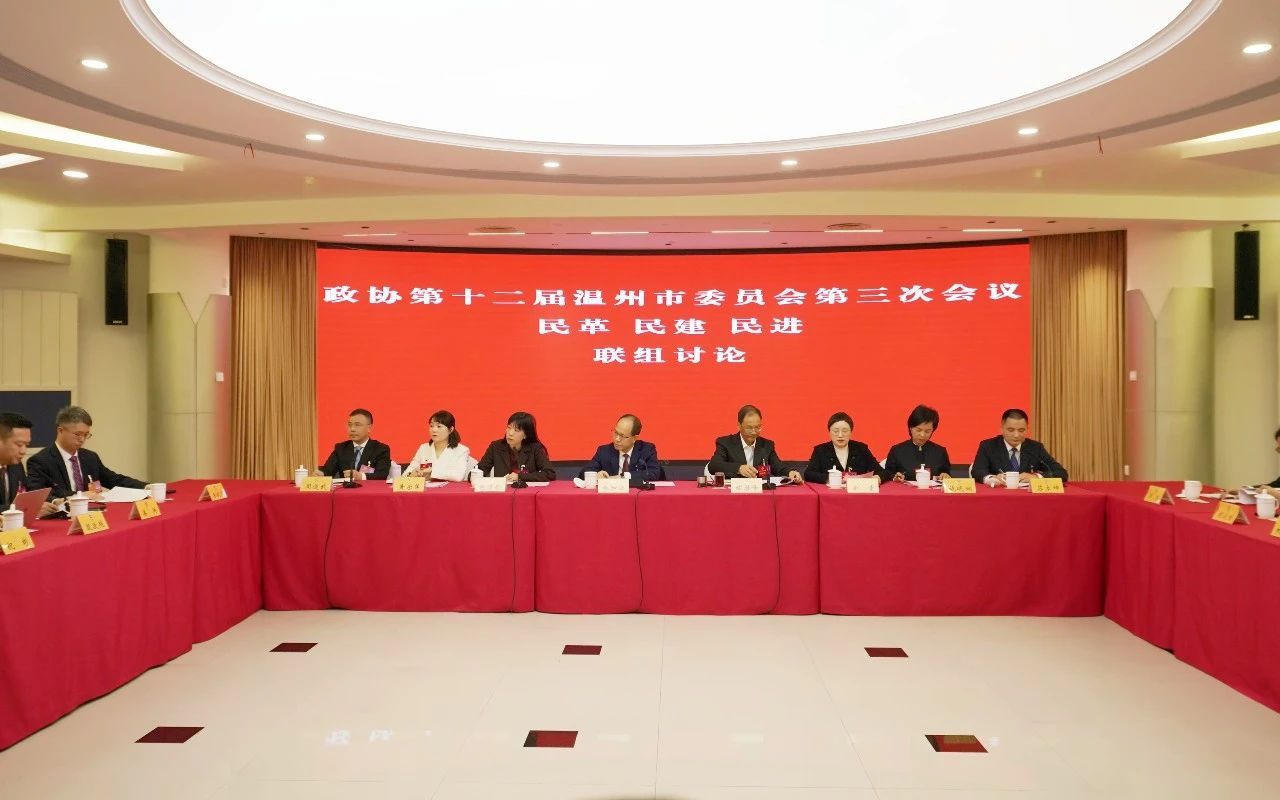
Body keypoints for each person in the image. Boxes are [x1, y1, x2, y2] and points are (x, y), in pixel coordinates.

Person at [26, 405, 148, 499]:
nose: (82, 439)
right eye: (77, 434)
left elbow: (114, 479)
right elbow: (39, 495)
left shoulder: (90, 457)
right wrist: (80, 496)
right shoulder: (41, 461)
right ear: (60, 430)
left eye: (86, 435)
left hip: (93, 514)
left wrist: (145, 486)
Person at [970, 408, 1068, 485]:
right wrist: (991, 478)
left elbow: (1061, 473)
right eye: (1011, 430)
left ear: (1027, 429)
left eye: (1021, 430)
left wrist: (1036, 477)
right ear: (1001, 429)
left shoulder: (1035, 447)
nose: (1016, 435)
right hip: (999, 496)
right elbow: (977, 471)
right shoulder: (988, 446)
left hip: (1028, 497)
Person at [709, 404, 804, 483]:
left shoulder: (766, 445)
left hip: (759, 492)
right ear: (739, 426)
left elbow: (778, 467)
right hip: (733, 492)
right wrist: (739, 468)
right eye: (749, 428)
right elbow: (714, 465)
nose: (754, 432)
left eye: (758, 427)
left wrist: (790, 472)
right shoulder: (726, 443)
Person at [0, 412, 59, 517]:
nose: (24, 451)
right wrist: (24, 509)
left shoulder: (16, 465)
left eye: (26, 445)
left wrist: (55, 501)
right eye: (19, 444)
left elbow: (26, 493)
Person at [476, 411, 556, 483]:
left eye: (516, 430)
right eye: (509, 428)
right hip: (503, 492)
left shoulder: (535, 448)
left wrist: (520, 477)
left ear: (525, 435)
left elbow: (549, 473)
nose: (510, 433)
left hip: (527, 491)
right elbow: (480, 469)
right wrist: (473, 475)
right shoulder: (495, 447)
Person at [803, 411, 882, 483]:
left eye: (845, 431)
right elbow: (809, 474)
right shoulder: (820, 450)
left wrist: (877, 477)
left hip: (856, 491)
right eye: (836, 431)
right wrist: (832, 479)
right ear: (829, 432)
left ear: (851, 432)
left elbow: (881, 471)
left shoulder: (861, 449)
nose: (840, 435)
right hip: (830, 491)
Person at [581, 414, 661, 481]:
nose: (617, 439)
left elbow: (654, 473)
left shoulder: (646, 450)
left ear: (634, 438)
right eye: (616, 433)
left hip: (636, 493)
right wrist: (596, 475)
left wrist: (623, 476)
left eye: (622, 436)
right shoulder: (604, 451)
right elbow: (583, 473)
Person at [883, 405, 953, 482]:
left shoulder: (940, 452)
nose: (922, 435)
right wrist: (895, 477)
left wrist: (945, 475)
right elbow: (888, 475)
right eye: (918, 430)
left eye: (927, 431)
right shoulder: (896, 451)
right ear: (911, 428)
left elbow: (947, 474)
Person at [319, 408, 392, 481]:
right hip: (346, 488)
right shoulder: (341, 448)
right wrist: (321, 474)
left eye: (357, 425)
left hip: (369, 488)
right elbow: (327, 471)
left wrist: (361, 476)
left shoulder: (380, 449)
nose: (352, 429)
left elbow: (381, 475)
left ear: (369, 428)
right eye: (349, 425)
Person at [405, 410, 472, 481]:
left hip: (451, 488)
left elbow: (458, 476)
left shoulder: (462, 450)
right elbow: (406, 474)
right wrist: (411, 474)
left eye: (439, 426)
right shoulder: (424, 448)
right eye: (431, 426)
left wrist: (431, 472)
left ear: (451, 429)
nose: (434, 430)